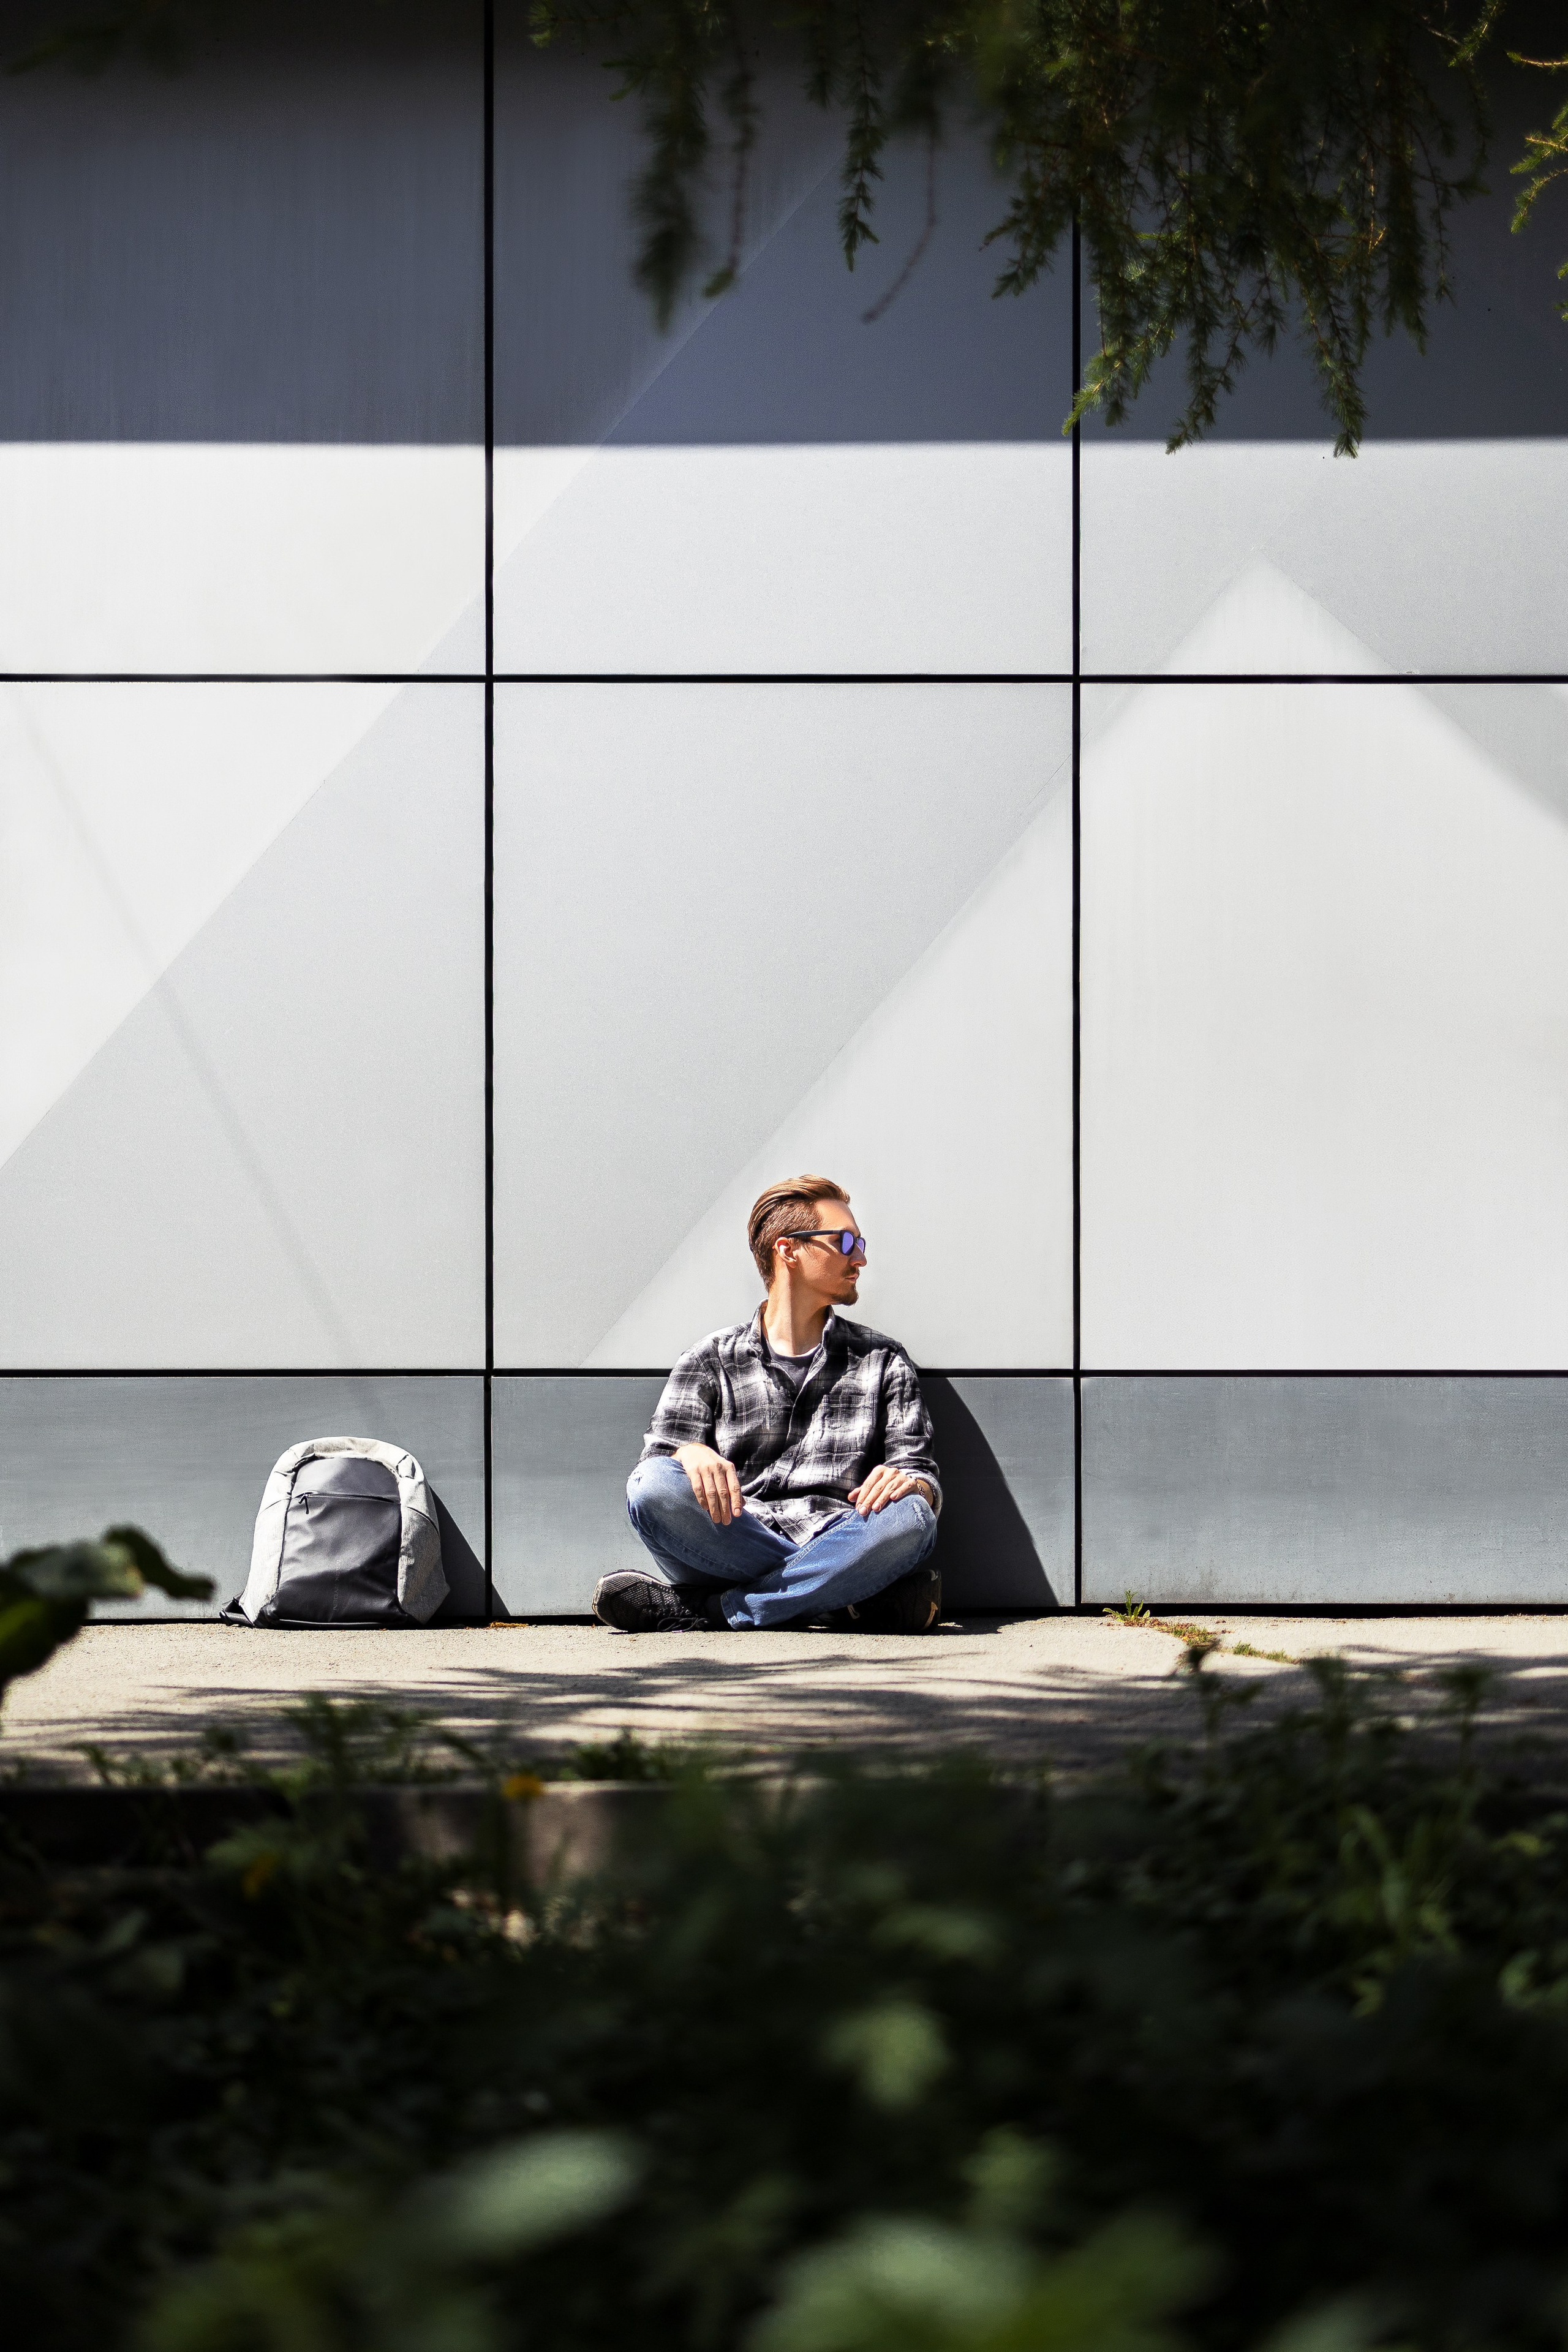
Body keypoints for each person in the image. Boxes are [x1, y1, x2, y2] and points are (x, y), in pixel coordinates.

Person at [594, 1174, 942, 1634]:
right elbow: (658, 1477)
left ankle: (714, 1612)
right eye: (844, 1241)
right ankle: (841, 1602)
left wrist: (912, 1484)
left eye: (860, 1242)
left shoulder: (884, 1361)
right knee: (652, 1485)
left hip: (839, 1536)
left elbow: (921, 1476)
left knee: (911, 1517)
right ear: (788, 1250)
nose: (861, 1257)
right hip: (730, 1540)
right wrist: (685, 1452)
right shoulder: (709, 1359)